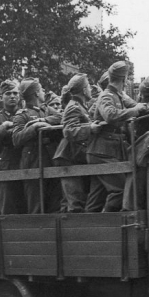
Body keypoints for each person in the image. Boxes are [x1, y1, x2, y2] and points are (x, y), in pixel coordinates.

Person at [86, 61, 149, 212]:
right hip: (101, 151)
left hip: (108, 150)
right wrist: (135, 110)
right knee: (121, 190)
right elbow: (110, 115)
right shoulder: (106, 96)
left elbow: (142, 108)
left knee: (97, 196)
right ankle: (111, 228)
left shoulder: (119, 96)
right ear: (124, 79)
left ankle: (91, 227)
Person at [12, 79, 62, 214]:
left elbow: (62, 117)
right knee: (36, 202)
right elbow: (16, 138)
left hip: (50, 158)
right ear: (36, 93)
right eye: (41, 90)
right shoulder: (22, 115)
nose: (43, 92)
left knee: (55, 201)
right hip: (32, 161)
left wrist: (44, 120)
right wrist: (34, 127)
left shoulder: (46, 110)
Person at [54, 74, 100, 213]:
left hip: (75, 156)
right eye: (88, 87)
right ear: (84, 90)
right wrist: (90, 128)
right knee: (75, 202)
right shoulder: (73, 106)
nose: (90, 90)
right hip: (68, 158)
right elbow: (68, 131)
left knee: (77, 199)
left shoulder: (80, 106)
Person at [0, 80, 24, 215]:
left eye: (15, 93)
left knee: (25, 205)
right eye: (8, 94)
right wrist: (3, 127)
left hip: (25, 163)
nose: (12, 96)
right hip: (5, 166)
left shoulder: (24, 114)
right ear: (1, 97)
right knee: (8, 206)